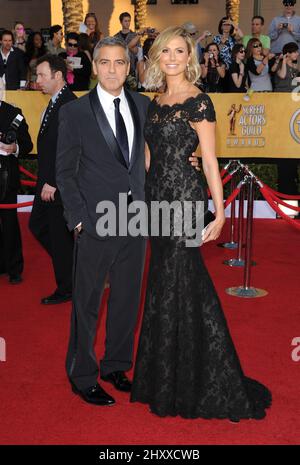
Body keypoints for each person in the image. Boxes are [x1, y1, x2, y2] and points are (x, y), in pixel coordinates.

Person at [130, 26, 272, 421]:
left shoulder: (199, 101)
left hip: (186, 201)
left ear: (188, 58)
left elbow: (209, 159)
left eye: (180, 51)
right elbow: (146, 158)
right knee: (163, 281)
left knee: (183, 277)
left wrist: (221, 209)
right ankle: (167, 376)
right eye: (166, 51)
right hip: (156, 202)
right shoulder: (154, 102)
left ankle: (209, 376)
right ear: (157, 56)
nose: (172, 58)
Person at [56, 36, 202, 406]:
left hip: (136, 219)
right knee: (87, 303)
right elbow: (65, 172)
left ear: (129, 68)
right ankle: (83, 374)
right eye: (104, 62)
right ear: (94, 67)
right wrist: (77, 221)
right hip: (94, 222)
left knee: (126, 299)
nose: (111, 69)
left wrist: (190, 160)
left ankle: (115, 365)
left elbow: (163, 152)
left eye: (119, 63)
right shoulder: (74, 112)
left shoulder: (143, 105)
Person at [29, 55, 76, 305]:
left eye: (41, 75)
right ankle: (75, 269)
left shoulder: (68, 104)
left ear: (58, 76)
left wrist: (54, 182)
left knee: (57, 234)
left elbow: (70, 149)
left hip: (56, 184)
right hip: (46, 181)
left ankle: (68, 286)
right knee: (39, 226)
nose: (37, 81)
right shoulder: (54, 102)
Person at [0, 77, 33, 284]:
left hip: (6, 177)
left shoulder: (14, 113)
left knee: (10, 223)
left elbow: (27, 144)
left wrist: (15, 148)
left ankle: (14, 268)